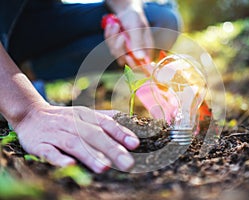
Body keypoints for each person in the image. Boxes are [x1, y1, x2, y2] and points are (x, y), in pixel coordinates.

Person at [0, 0, 181, 173]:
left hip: (35, 24)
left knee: (161, 21)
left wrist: (127, 9)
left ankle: (23, 71)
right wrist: (27, 111)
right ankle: (13, 85)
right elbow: (27, 112)